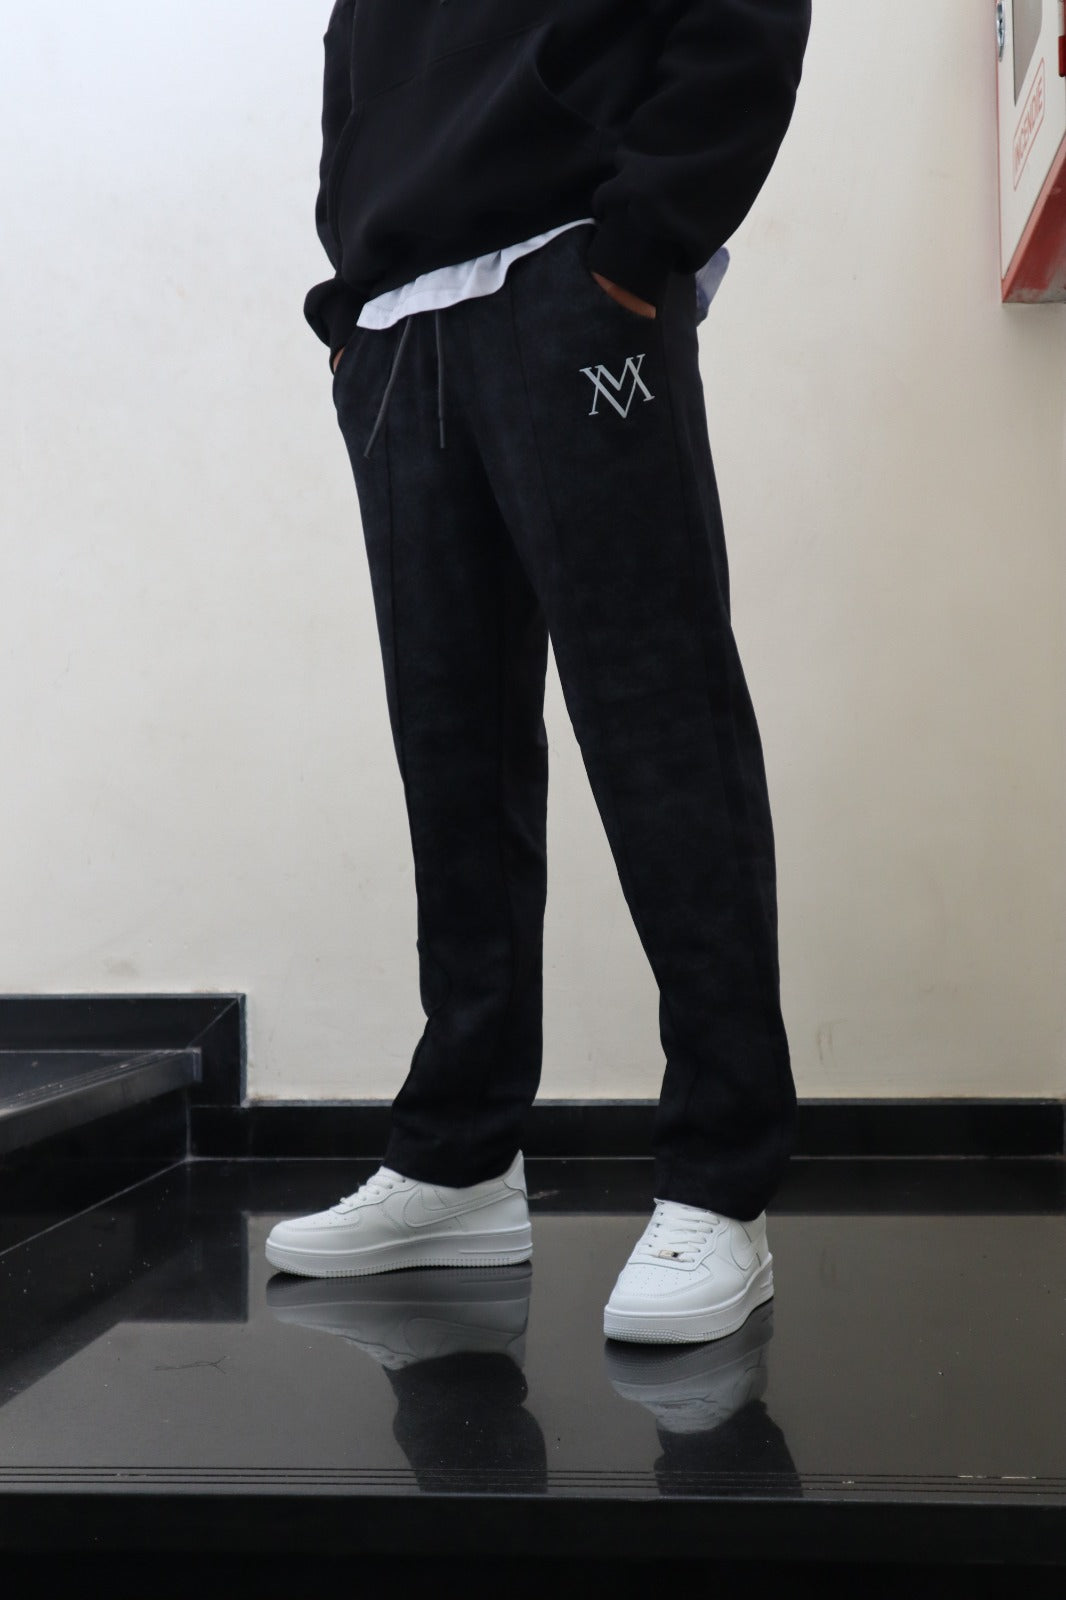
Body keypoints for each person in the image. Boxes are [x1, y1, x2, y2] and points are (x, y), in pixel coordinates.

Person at [266, 0, 813, 1346]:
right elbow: (356, 65)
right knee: (450, 749)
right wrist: (352, 296)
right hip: (399, 325)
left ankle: (718, 1180)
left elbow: (744, 20)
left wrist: (644, 237)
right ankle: (457, 1156)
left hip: (572, 275)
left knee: (658, 722)